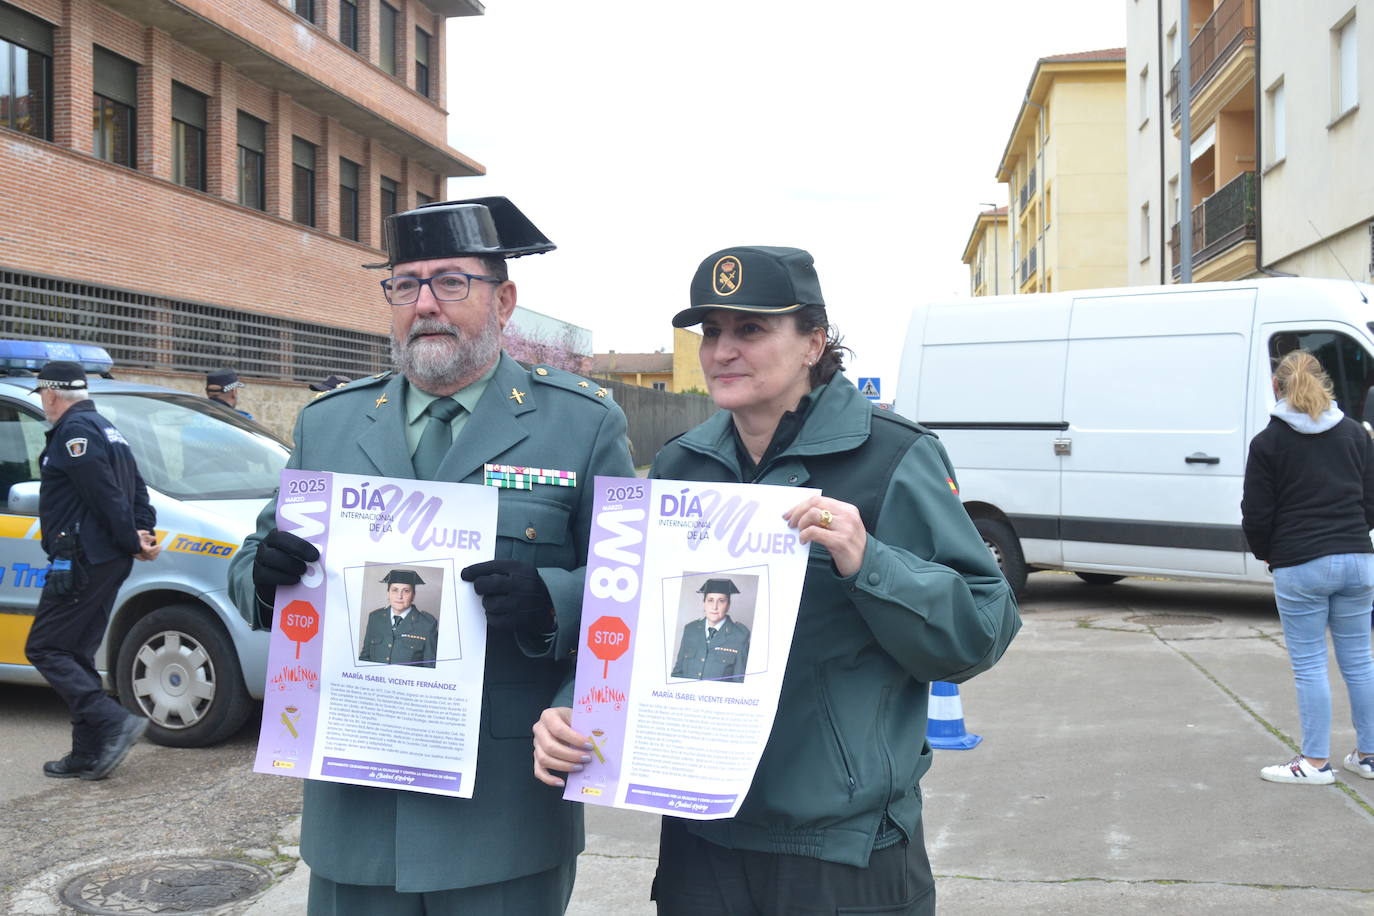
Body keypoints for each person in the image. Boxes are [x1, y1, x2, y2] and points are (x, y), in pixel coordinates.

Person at [533, 245, 1022, 915]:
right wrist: (575, 706)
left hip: (842, 848)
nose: (722, 351)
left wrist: (866, 558)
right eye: (712, 332)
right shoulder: (682, 464)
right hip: (700, 831)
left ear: (812, 343)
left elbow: (980, 631)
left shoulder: (894, 457)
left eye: (751, 330)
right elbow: (633, 618)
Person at [226, 196, 635, 914]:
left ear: (503, 300)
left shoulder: (580, 426)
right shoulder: (332, 422)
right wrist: (263, 576)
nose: (424, 304)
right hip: (358, 813)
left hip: (501, 816)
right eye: (405, 284)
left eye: (450, 282)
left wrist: (550, 602)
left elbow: (625, 593)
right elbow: (256, 560)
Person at [1241, 349, 1374, 786]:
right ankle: (1369, 755)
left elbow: (1256, 513)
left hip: (1301, 562)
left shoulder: (1268, 442)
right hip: (1358, 559)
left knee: (1311, 664)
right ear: (1326, 383)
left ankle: (1315, 763)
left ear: (1277, 388)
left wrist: (1267, 552)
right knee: (1360, 663)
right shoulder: (1356, 435)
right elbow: (1370, 503)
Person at [24, 360, 161, 780]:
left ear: (50, 394)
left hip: (83, 559)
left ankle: (112, 720)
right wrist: (142, 532)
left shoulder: (74, 433)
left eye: (43, 397)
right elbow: (136, 488)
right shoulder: (106, 429)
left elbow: (103, 493)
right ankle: (87, 752)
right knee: (74, 651)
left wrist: (129, 537)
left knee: (45, 648)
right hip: (103, 557)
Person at [670, 577, 750, 683]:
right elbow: (677, 674)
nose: (714, 607)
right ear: (704, 603)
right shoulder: (690, 630)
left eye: (721, 601)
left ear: (728, 605)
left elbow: (739, 683)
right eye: (710, 600)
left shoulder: (740, 636)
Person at [359, 569, 438, 668]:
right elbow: (365, 658)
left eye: (406, 591)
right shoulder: (375, 618)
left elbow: (430, 668)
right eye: (394, 590)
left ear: (413, 595)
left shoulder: (427, 625)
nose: (399, 596)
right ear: (388, 593)